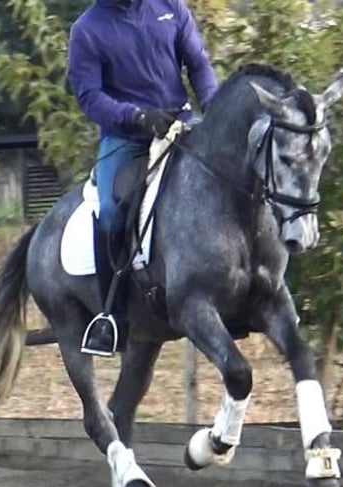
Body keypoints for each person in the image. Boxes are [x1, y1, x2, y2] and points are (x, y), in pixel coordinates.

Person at [67, 0, 218, 356]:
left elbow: (198, 64)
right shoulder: (87, 29)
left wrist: (213, 106)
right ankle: (110, 317)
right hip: (126, 138)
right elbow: (90, 97)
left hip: (181, 123)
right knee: (110, 211)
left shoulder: (170, 6)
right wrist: (136, 116)